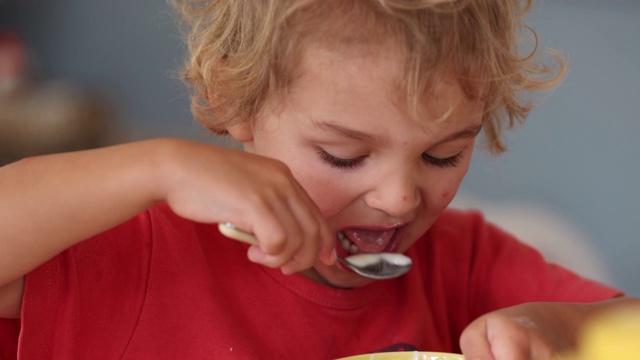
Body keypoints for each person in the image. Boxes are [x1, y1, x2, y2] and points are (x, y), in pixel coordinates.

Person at [0, 0, 636, 359]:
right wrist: (157, 165)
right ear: (235, 103)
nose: (399, 199)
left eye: (442, 157)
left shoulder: (464, 263)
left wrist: (564, 329)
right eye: (343, 155)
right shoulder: (133, 251)